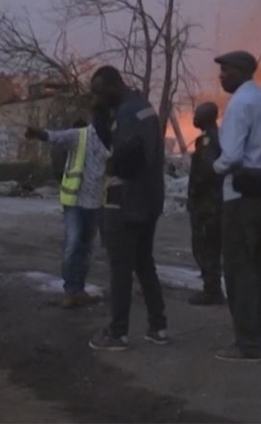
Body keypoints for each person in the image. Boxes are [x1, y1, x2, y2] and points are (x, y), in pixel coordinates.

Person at [212, 50, 261, 363]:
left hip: (241, 197)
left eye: (225, 71)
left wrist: (213, 168)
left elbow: (231, 157)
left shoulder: (239, 104)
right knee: (260, 268)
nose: (221, 77)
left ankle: (246, 343)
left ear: (242, 72)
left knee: (238, 269)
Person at [87, 66, 169, 352]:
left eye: (99, 92)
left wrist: (113, 165)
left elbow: (129, 152)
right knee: (144, 262)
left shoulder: (125, 113)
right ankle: (158, 326)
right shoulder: (142, 107)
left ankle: (117, 333)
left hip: (126, 199)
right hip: (150, 198)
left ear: (112, 87)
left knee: (120, 268)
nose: (97, 98)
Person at [25, 117, 111, 309]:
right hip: (75, 200)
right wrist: (39, 133)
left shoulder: (112, 139)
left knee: (86, 248)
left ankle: (78, 290)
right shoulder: (80, 136)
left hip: (96, 202)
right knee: (73, 244)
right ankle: (71, 290)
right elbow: (55, 137)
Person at [187, 102, 226, 306]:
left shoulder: (208, 141)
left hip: (207, 204)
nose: (194, 117)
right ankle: (212, 287)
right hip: (211, 203)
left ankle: (211, 290)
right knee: (209, 246)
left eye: (197, 114)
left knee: (205, 246)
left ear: (207, 117)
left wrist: (195, 192)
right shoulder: (214, 138)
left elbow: (206, 171)